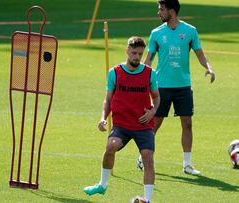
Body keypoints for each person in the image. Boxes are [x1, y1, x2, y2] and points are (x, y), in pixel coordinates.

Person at [137, 0, 215, 176]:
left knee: (187, 124)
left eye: (161, 9)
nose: (159, 12)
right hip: (161, 87)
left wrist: (209, 68)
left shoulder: (190, 31)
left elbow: (200, 54)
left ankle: (187, 165)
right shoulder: (156, 33)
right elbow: (148, 60)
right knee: (155, 124)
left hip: (183, 86)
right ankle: (143, 157)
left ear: (171, 11)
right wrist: (141, 80)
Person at [84, 36, 160, 203]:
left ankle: (147, 200)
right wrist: (103, 118)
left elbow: (156, 97)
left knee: (148, 157)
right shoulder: (115, 72)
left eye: (140, 54)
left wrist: (153, 111)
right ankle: (102, 185)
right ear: (127, 51)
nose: (137, 57)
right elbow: (108, 99)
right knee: (110, 147)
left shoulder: (149, 74)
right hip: (122, 125)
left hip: (143, 125)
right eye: (134, 53)